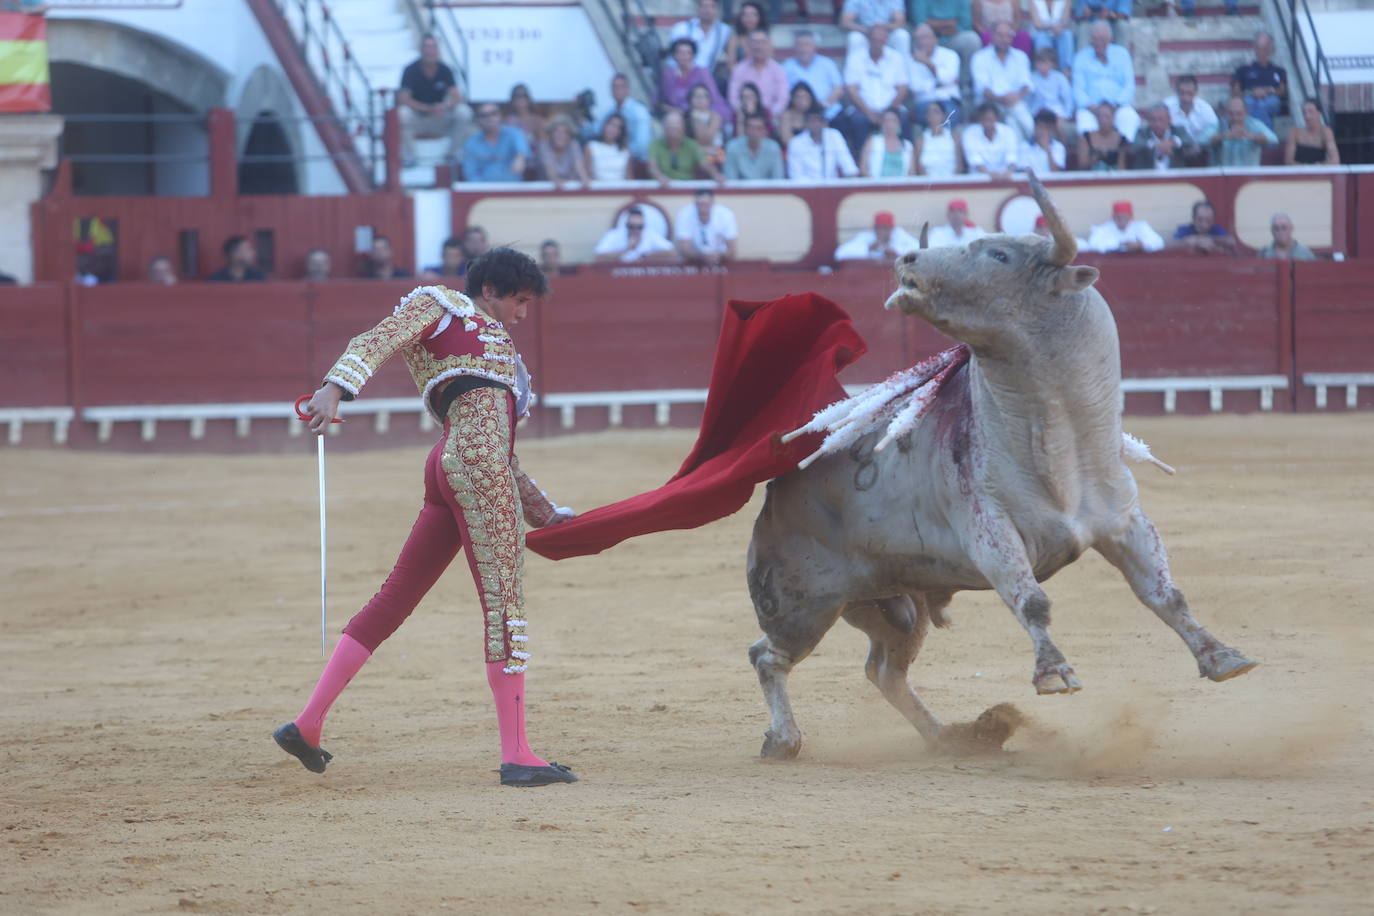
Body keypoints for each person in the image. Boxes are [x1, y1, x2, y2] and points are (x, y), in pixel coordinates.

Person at [274, 248, 579, 789]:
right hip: (473, 462)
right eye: (520, 301)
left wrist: (547, 514)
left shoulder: (501, 353)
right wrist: (333, 388)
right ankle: (518, 754)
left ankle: (308, 722)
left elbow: (502, 454)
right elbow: (377, 339)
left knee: (395, 596)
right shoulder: (438, 305)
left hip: (452, 463)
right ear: (490, 289)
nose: (523, 314)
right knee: (504, 604)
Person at [397, 35, 473, 167]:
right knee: (402, 113)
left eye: (433, 47)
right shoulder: (410, 70)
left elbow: (457, 96)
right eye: (427, 47)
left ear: (438, 50)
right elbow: (403, 99)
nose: (430, 51)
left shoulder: (445, 70)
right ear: (421, 49)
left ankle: (452, 155)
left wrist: (445, 106)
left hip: (440, 117)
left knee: (464, 112)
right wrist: (428, 108)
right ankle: (409, 157)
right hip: (418, 119)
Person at [839, 24, 910, 150]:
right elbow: (851, 90)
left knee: (903, 118)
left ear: (886, 41)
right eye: (874, 40)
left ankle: (904, 157)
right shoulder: (855, 58)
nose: (877, 44)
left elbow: (902, 88)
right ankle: (862, 162)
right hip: (863, 108)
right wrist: (869, 113)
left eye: (881, 40)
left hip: (891, 107)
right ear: (868, 40)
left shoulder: (896, 57)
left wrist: (889, 112)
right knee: (857, 120)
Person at [1071, 22, 1139, 139]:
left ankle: (1120, 155)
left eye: (1102, 39)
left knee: (1130, 117)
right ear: (1091, 40)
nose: (1099, 43)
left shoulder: (1122, 54)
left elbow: (1129, 86)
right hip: (1091, 108)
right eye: (1095, 39)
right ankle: (1091, 156)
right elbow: (1078, 90)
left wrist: (1114, 106)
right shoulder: (1081, 57)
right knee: (1084, 124)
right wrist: (1094, 109)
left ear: (1110, 39)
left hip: (1117, 106)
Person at [970, 22, 1034, 138]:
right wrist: (1001, 99)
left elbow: (1026, 84)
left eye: (1007, 35)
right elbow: (982, 89)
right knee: (1014, 117)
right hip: (990, 103)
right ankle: (1032, 141)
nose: (1004, 39)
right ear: (993, 36)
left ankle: (1030, 141)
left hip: (1015, 102)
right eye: (1000, 35)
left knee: (1016, 120)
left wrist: (1016, 96)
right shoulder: (980, 57)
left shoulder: (1020, 57)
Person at [661, 38, 733, 123]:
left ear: (693, 55)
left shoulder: (702, 73)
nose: (684, 56)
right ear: (674, 55)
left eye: (688, 53)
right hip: (677, 115)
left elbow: (713, 97)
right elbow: (661, 100)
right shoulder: (668, 74)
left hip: (703, 112)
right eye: (680, 53)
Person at [907, 23, 962, 125]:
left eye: (925, 37)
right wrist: (940, 84)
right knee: (925, 114)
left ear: (935, 39)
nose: (921, 41)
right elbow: (915, 86)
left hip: (947, 99)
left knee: (950, 114)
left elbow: (948, 78)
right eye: (918, 38)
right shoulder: (911, 61)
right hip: (924, 101)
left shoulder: (950, 55)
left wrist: (928, 64)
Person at [589, 73, 652, 162]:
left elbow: (642, 145)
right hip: (612, 158)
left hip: (636, 161)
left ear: (627, 89)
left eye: (620, 87)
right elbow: (595, 130)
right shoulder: (609, 111)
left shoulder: (639, 111)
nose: (616, 90)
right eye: (614, 87)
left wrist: (620, 154)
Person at [783, 32, 845, 122]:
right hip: (799, 116)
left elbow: (838, 88)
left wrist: (825, 104)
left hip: (829, 111)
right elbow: (784, 92)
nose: (803, 49)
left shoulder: (827, 63)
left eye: (807, 44)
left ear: (814, 47)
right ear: (794, 48)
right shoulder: (787, 66)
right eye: (800, 45)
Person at [648, 110, 722, 185]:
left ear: (683, 128)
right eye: (670, 128)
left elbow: (705, 163)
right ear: (664, 128)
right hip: (663, 188)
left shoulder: (692, 145)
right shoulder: (655, 145)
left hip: (687, 188)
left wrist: (715, 175)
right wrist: (660, 177)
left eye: (676, 128)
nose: (673, 132)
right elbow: (652, 167)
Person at [786, 105, 860, 180]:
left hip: (832, 187)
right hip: (806, 188)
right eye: (812, 121)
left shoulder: (834, 135)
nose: (816, 124)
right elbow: (796, 176)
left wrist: (852, 179)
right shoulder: (796, 143)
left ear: (824, 122)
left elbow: (848, 166)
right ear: (806, 123)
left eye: (819, 120)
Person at [1201, 96, 1277, 167]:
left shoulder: (1254, 124)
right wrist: (1224, 136)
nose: (1235, 118)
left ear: (1246, 112)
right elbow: (1201, 140)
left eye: (1239, 114)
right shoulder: (1219, 124)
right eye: (1231, 113)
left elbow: (1273, 139)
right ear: (1225, 112)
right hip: (1222, 175)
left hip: (1249, 174)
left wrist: (1251, 136)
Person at [728, 30, 789, 118]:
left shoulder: (778, 70)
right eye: (755, 42)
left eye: (762, 42)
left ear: (769, 46)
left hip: (772, 118)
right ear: (748, 46)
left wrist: (768, 115)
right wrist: (746, 112)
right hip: (745, 116)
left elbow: (782, 100)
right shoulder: (739, 69)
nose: (758, 46)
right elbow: (733, 99)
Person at [462, 103, 530, 183]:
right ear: (478, 119)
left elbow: (522, 151)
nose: (489, 118)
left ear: (500, 116)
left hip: (512, 189)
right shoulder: (471, 143)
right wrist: (483, 189)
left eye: (493, 113)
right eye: (484, 115)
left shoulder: (514, 134)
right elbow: (471, 175)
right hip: (484, 190)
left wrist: (520, 157)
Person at [1231, 33, 1286, 129]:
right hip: (1249, 98)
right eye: (1259, 48)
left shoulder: (1279, 70)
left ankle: (1256, 136)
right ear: (1255, 49)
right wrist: (1251, 93)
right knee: (1251, 104)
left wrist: (1268, 91)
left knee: (1262, 105)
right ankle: (1265, 138)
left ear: (1271, 49)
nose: (1262, 52)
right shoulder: (1243, 70)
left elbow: (1282, 91)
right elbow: (1236, 92)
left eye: (1265, 48)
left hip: (1271, 99)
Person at [674, 189, 738, 265]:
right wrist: (702, 256)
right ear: (695, 204)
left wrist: (719, 256)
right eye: (700, 204)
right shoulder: (684, 215)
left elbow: (732, 249)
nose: (703, 207)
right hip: (694, 261)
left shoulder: (726, 214)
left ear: (712, 203)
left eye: (706, 203)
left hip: (721, 260)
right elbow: (684, 250)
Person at [668, 0, 732, 74]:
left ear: (717, 10)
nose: (708, 10)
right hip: (681, 75)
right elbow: (672, 58)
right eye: (704, 6)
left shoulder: (724, 31)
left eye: (712, 6)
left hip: (707, 77)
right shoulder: (682, 28)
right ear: (698, 8)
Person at [1163, 74, 1217, 161]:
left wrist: (1198, 144)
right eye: (1182, 93)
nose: (1185, 98)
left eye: (1189, 93)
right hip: (1173, 153)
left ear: (1196, 92)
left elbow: (1213, 129)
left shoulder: (1205, 109)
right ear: (1176, 91)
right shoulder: (1166, 107)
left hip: (1200, 152)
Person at [594, 207, 677, 262]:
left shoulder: (649, 234)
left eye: (639, 227)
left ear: (644, 226)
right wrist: (626, 250)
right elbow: (598, 256)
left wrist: (644, 258)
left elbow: (672, 253)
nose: (635, 230)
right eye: (631, 226)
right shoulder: (614, 235)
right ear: (626, 225)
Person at [1127, 104, 1197, 170]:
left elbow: (1190, 142)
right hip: (1148, 178)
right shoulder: (1142, 132)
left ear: (1169, 120)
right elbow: (1136, 145)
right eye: (1153, 120)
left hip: (1175, 177)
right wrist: (1157, 145)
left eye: (1161, 120)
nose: (1157, 124)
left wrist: (1173, 142)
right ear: (1148, 121)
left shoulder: (1179, 131)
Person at [912, 0, 982, 66]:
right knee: (918, 34)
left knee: (971, 39)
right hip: (927, 37)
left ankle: (965, 78)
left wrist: (934, 25)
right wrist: (949, 24)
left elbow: (965, 24)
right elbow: (920, 21)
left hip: (953, 38)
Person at [961, 102, 1018, 179]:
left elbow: (1011, 157)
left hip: (1005, 178)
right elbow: (974, 160)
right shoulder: (970, 133)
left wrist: (1007, 172)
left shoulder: (1008, 132)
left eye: (990, 119)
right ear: (979, 119)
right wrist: (990, 174)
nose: (987, 123)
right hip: (979, 179)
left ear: (997, 118)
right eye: (985, 119)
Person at [834, 210, 919, 261]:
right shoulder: (866, 238)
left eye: (885, 228)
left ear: (891, 228)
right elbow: (840, 254)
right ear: (874, 228)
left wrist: (897, 253)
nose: (881, 231)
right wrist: (868, 248)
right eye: (878, 228)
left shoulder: (900, 236)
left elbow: (919, 251)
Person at [839, 0, 911, 58]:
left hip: (887, 33)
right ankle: (854, 72)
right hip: (865, 33)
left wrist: (881, 29)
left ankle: (904, 72)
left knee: (902, 35)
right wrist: (869, 30)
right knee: (854, 38)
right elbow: (845, 22)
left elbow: (900, 21)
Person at [724, 112, 785, 179]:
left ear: (765, 131)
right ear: (745, 130)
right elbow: (730, 178)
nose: (754, 132)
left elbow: (777, 178)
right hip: (740, 188)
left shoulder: (773, 148)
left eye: (758, 128)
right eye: (751, 127)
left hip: (766, 188)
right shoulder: (733, 147)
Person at [1086, 200, 1164, 253]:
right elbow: (1092, 244)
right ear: (1113, 217)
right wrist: (1119, 244)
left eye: (1125, 218)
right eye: (1119, 218)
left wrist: (1141, 245)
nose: (1122, 221)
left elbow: (1159, 242)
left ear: (1131, 217)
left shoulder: (1141, 227)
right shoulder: (1104, 229)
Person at [1027, 47, 1073, 132]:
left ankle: (1060, 145)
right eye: (1040, 62)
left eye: (1046, 63)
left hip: (1055, 110)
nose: (1043, 66)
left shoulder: (1060, 78)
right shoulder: (1031, 78)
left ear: (1052, 64)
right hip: (1038, 110)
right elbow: (1028, 99)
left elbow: (1067, 98)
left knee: (1060, 127)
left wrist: (1067, 114)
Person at [536, 117, 590, 189]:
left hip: (570, 189)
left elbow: (579, 166)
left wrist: (584, 179)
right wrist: (556, 180)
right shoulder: (544, 147)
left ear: (570, 136)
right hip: (544, 191)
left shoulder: (573, 145)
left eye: (565, 132)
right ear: (551, 134)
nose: (560, 135)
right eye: (557, 131)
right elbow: (549, 170)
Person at [915, 99, 964, 176]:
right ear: (926, 116)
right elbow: (918, 169)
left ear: (943, 115)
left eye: (936, 112)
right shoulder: (920, 141)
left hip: (952, 183)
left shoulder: (954, 137)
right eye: (929, 112)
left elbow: (960, 166)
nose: (932, 115)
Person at [860, 108, 915, 177]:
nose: (889, 124)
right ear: (882, 123)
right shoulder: (872, 141)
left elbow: (912, 173)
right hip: (877, 185)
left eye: (893, 120)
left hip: (901, 186)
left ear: (899, 123)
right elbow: (863, 169)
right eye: (886, 120)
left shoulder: (908, 145)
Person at [1283, 99, 1340, 166]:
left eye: (1310, 112)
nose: (1307, 116)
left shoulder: (1326, 132)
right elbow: (1288, 161)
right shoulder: (1295, 132)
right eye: (1304, 112)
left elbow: (1335, 160)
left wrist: (1318, 166)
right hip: (1298, 172)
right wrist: (1304, 168)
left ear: (1319, 113)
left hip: (1318, 172)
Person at [1170, 199, 1235, 255]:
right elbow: (1171, 244)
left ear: (1213, 220)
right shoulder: (1184, 230)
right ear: (1193, 218)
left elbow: (1230, 241)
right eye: (1200, 219)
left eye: (1208, 220)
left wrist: (1202, 239)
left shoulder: (1217, 229)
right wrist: (1187, 242)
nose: (1204, 225)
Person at [1076, 101, 1126, 170]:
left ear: (1113, 117)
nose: (1103, 120)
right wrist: (1097, 156)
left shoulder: (1121, 138)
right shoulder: (1086, 138)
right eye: (1100, 116)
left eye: (1107, 116)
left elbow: (1122, 167)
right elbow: (1082, 166)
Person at [1027, 0, 1073, 73]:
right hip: (1041, 31)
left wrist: (1060, 27)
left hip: (1058, 31)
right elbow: (1037, 24)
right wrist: (1052, 27)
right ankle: (1046, 70)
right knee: (1042, 37)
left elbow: (1065, 20)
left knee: (1066, 35)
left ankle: (1065, 70)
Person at [585, 113, 632, 181]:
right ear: (604, 125)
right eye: (611, 125)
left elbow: (629, 178)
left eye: (618, 127)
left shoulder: (625, 150)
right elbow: (586, 175)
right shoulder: (591, 147)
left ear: (620, 132)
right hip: (598, 189)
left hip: (620, 189)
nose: (613, 129)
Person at [725, 2, 769, 73]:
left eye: (753, 15)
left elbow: (769, 61)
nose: (749, 18)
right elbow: (730, 64)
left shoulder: (765, 38)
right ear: (740, 18)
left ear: (759, 17)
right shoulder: (735, 39)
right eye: (746, 15)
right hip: (740, 77)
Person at [1018, 108, 1066, 172]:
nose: (1043, 131)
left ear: (1053, 129)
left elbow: (1057, 173)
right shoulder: (1024, 146)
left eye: (1047, 128)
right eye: (1040, 127)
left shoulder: (1059, 147)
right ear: (1035, 126)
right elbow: (1024, 171)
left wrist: (1048, 150)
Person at [686, 83, 726, 156]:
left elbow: (707, 139)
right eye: (697, 96)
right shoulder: (686, 117)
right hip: (693, 156)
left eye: (704, 96)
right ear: (690, 99)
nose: (700, 99)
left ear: (709, 100)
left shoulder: (715, 116)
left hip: (716, 154)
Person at [504, 84, 545, 151]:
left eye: (524, 96)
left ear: (528, 99)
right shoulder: (507, 121)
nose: (520, 99)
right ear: (512, 100)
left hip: (534, 159)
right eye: (517, 96)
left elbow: (544, 144)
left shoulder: (537, 121)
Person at [777, 82, 819, 147]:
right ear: (792, 99)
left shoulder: (817, 116)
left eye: (805, 97)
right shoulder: (786, 116)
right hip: (792, 152)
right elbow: (786, 139)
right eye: (798, 97)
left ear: (811, 98)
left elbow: (822, 137)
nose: (801, 100)